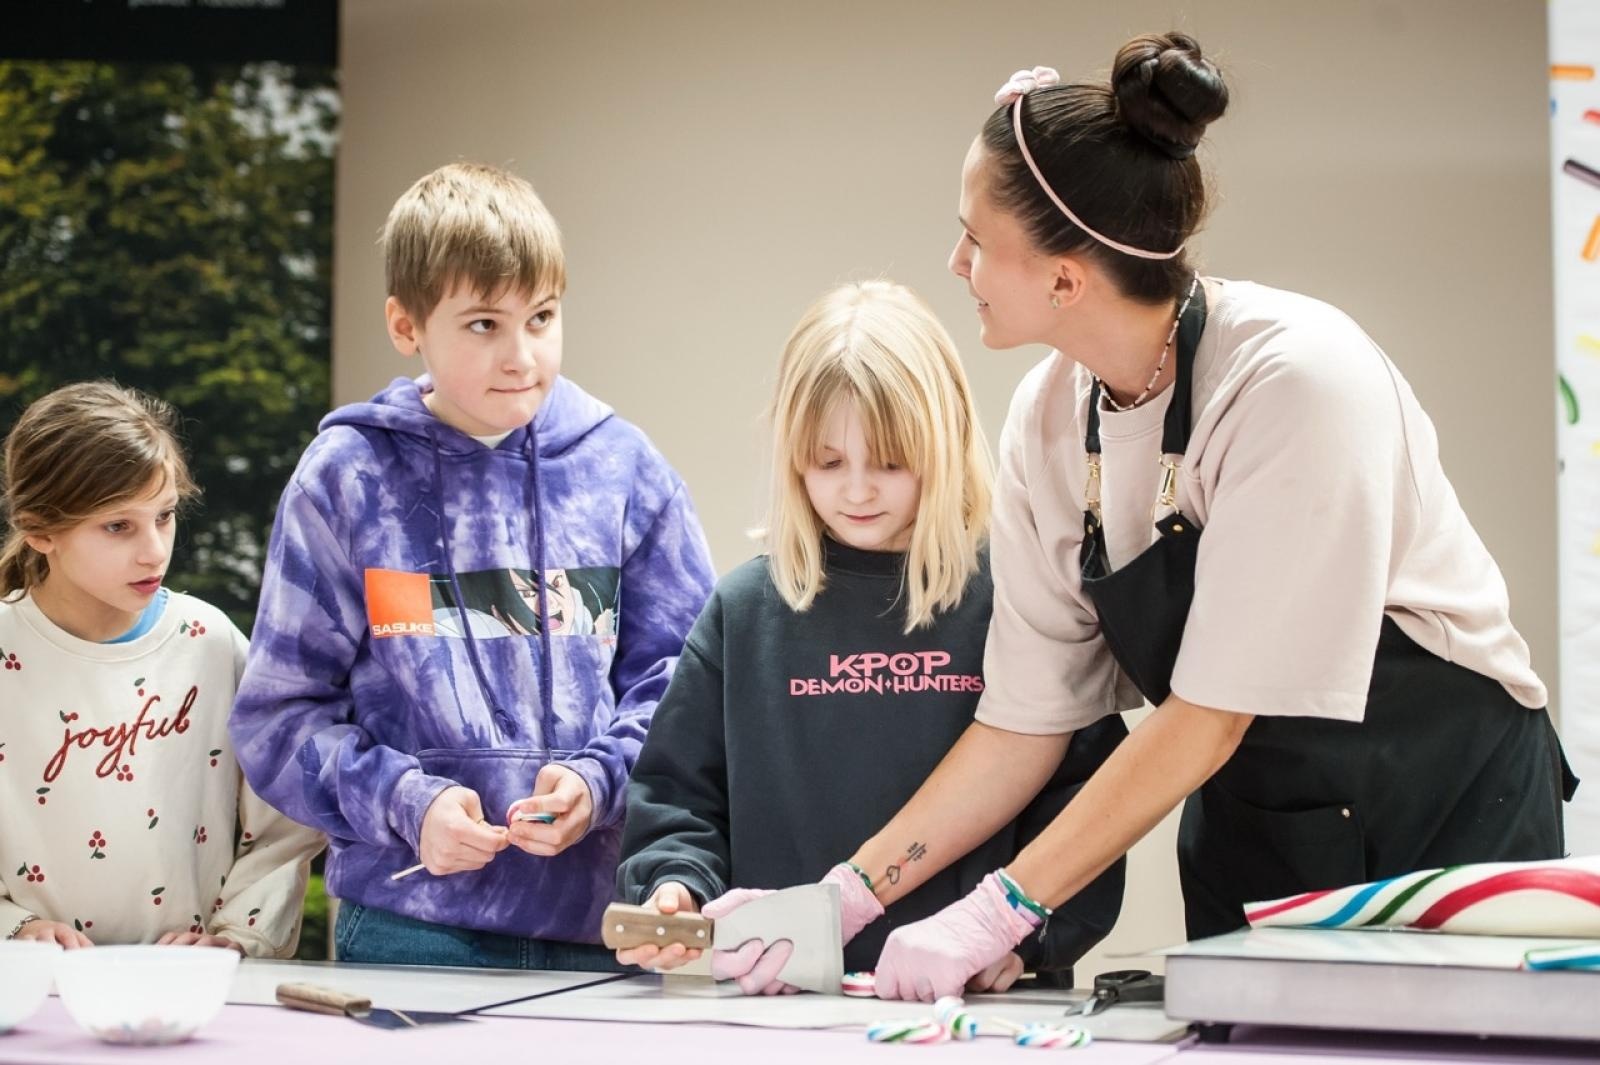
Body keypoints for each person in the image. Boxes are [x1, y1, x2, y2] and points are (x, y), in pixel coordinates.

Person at [843, 33, 1575, 1001]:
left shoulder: (1295, 382)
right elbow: (1025, 724)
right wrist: (846, 897)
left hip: (1441, 805)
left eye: (975, 240)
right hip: (1262, 820)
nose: (955, 261)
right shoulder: (1046, 421)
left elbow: (1206, 719)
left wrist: (995, 911)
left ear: (1066, 279)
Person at [229, 162, 716, 969]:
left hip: (600, 928)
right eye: (485, 323)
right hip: (406, 923)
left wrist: (600, 778)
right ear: (405, 323)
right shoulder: (345, 477)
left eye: (543, 317)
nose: (521, 353)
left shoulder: (625, 470)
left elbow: (688, 689)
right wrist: (406, 802)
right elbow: (276, 719)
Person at [613, 281, 1125, 993]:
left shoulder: (1018, 592)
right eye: (828, 462)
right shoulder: (744, 611)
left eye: (889, 461)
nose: (857, 490)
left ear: (941, 442)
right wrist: (676, 886)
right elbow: (678, 798)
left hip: (974, 1009)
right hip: (778, 1006)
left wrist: (1027, 937)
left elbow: (1087, 800)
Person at [0, 382, 323, 954]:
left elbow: (285, 824)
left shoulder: (210, 644)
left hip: (192, 994)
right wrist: (13, 927)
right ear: (39, 528)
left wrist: (240, 937)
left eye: (166, 516)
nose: (154, 550)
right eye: (118, 526)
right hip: (26, 993)